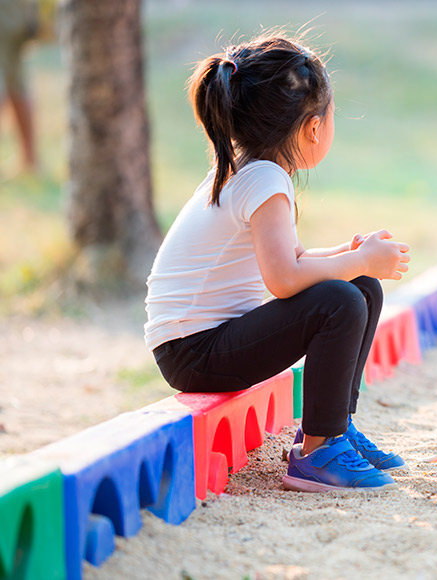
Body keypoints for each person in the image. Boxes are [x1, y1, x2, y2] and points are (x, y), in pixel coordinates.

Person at [145, 34, 411, 493]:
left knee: (360, 283)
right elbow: (285, 280)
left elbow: (295, 258)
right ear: (313, 127)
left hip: (201, 341)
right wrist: (356, 259)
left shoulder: (252, 168)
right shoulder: (264, 178)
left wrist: (354, 256)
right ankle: (318, 453)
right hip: (193, 350)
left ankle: (334, 430)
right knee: (340, 299)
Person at [0, 0, 38, 174]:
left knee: (16, 84)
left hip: (10, 14)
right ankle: (30, 161)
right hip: (17, 15)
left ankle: (30, 161)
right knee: (18, 84)